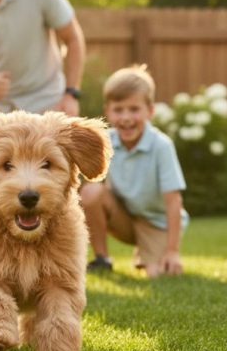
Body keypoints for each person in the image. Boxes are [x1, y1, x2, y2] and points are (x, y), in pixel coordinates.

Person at [79, 65, 189, 277]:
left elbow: (173, 200)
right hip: (125, 216)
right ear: (107, 112)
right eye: (118, 110)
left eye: (134, 109)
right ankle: (102, 259)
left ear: (150, 110)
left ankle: (150, 254)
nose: (126, 117)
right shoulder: (106, 141)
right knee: (90, 191)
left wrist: (172, 251)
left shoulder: (161, 146)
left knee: (159, 274)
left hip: (157, 223)